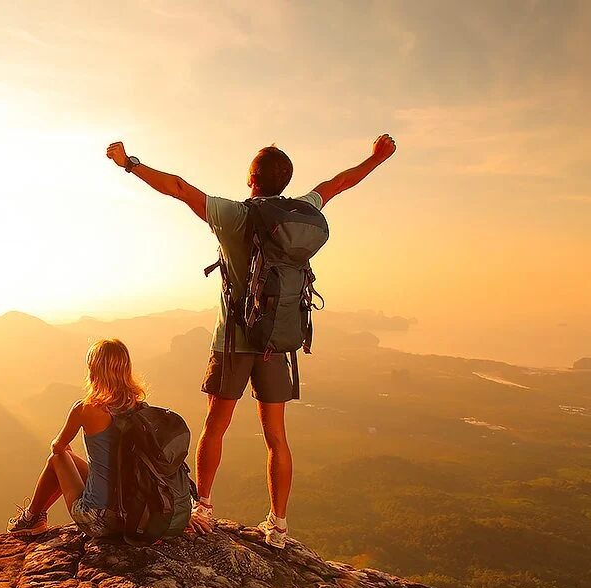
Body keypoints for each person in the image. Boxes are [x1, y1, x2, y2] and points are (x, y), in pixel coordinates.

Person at [104, 134, 397, 547]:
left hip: (234, 342)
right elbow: (337, 184)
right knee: (276, 436)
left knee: (216, 425)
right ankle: (278, 525)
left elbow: (179, 188)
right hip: (277, 341)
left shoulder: (234, 215)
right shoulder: (301, 215)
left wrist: (129, 163)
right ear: (285, 181)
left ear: (251, 178)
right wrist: (376, 158)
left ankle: (203, 508)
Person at [7, 338, 147, 538]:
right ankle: (33, 517)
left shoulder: (85, 409)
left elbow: (57, 447)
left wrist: (64, 450)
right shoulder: (138, 407)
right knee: (68, 458)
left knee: (58, 457)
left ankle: (31, 518)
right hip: (130, 516)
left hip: (96, 520)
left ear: (94, 371)